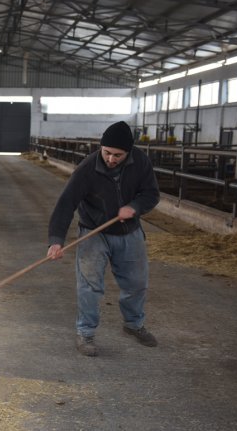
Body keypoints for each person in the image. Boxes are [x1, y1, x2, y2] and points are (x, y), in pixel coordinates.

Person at [46, 120, 160, 357]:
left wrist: (135, 206)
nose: (110, 159)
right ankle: (85, 333)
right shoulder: (88, 168)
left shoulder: (140, 162)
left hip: (129, 232)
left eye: (117, 155)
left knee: (136, 283)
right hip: (94, 233)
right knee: (89, 286)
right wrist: (56, 240)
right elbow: (66, 203)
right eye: (107, 152)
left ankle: (133, 325)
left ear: (128, 152)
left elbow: (151, 194)